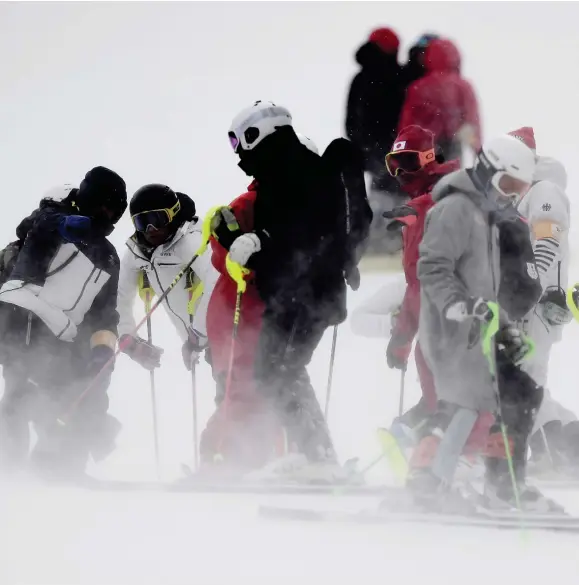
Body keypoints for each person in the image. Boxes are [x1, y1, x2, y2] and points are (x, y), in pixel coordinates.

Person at [201, 101, 371, 479]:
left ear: (256, 134)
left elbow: (311, 232)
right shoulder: (278, 178)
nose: (238, 153)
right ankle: (315, 455)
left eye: (238, 141)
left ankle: (319, 458)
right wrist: (237, 239)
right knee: (272, 371)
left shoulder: (302, 171)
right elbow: (280, 248)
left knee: (280, 370)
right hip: (288, 294)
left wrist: (260, 240)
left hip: (309, 294)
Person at [413, 134, 561, 511]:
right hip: (453, 328)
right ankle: (425, 483)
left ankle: (500, 484)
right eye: (508, 184)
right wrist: (460, 305)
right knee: (463, 400)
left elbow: (490, 280)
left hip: (484, 324)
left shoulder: (490, 214)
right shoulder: (456, 209)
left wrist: (506, 324)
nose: (512, 195)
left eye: (520, 188)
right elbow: (432, 266)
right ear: (488, 170)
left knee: (521, 392)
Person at [0, 167, 127, 479]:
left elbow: (105, 315)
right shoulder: (55, 218)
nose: (107, 214)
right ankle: (10, 469)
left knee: (74, 402)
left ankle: (63, 470)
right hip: (22, 325)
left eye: (115, 210)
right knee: (20, 396)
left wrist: (103, 349)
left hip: (62, 339)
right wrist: (66, 224)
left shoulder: (108, 258)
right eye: (102, 203)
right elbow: (35, 224)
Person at [507, 128, 577, 472]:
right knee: (525, 380)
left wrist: (529, 281)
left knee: (525, 382)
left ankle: (553, 451)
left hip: (540, 302)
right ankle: (568, 445)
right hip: (530, 301)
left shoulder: (544, 190)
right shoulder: (521, 193)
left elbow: (548, 234)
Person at [382, 125, 460, 429]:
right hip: (457, 309)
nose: (401, 173)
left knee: (435, 365)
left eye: (409, 163)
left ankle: (448, 443)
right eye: (393, 165)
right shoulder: (430, 198)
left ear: (429, 158)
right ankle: (434, 425)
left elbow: (421, 280)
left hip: (453, 311)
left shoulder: (435, 201)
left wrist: (402, 337)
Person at [116, 185, 219, 378]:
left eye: (157, 219)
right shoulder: (136, 252)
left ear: (173, 215)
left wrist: (198, 334)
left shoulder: (191, 241)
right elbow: (121, 298)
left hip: (225, 331)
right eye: (141, 222)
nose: (150, 229)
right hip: (200, 339)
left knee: (237, 394)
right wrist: (128, 340)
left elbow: (217, 282)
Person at [345, 27, 406, 254]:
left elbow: (351, 120)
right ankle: (399, 242)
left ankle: (378, 244)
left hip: (371, 150)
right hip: (398, 148)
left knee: (380, 195)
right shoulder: (400, 76)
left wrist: (362, 147)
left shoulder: (360, 78)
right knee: (398, 194)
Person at [398, 38, 481, 162]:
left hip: (425, 148)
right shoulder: (463, 86)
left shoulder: (419, 87)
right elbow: (471, 120)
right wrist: (478, 149)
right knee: (452, 179)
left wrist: (402, 149)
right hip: (453, 146)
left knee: (427, 179)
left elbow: (409, 121)